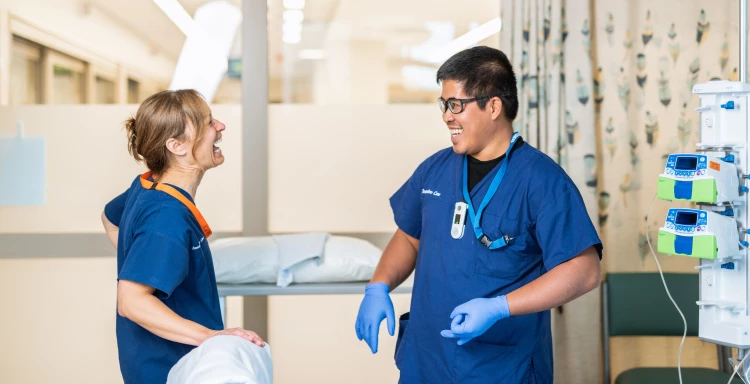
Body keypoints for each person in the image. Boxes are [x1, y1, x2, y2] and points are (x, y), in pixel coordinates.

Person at [354, 46, 603, 383]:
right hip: (427, 361)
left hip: (500, 366)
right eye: (444, 105)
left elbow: (584, 270)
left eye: (456, 104)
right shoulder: (435, 170)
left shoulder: (541, 181)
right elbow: (410, 237)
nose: (446, 115)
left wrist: (499, 307)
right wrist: (378, 287)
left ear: (493, 106)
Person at [101, 89, 265, 384]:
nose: (220, 127)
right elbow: (131, 301)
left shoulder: (149, 184)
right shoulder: (167, 219)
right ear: (176, 145)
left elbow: (110, 218)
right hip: (172, 371)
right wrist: (211, 336)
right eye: (208, 123)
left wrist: (142, 259)